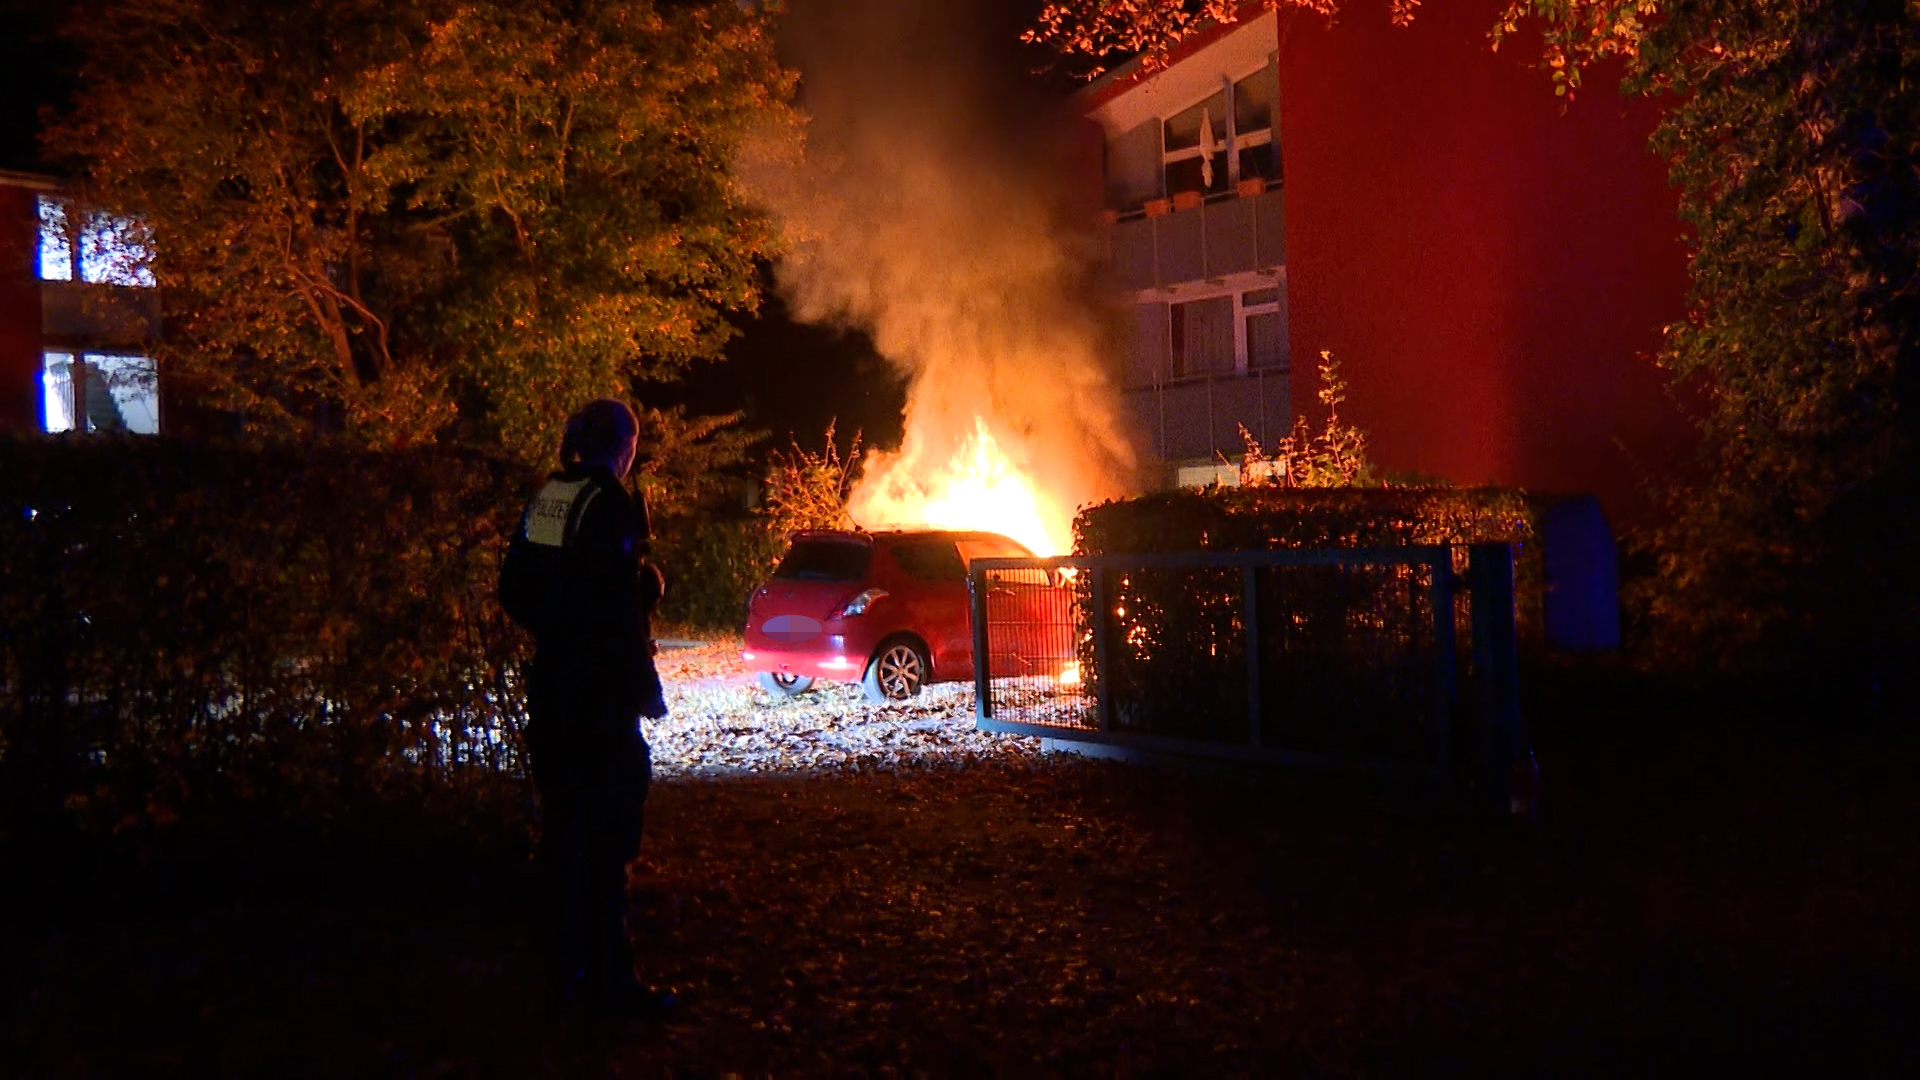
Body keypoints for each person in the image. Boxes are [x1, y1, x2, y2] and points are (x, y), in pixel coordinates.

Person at [499, 398, 674, 1015]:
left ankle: (565, 977)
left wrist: (558, 629)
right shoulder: (609, 499)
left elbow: (515, 586)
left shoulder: (555, 495)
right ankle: (612, 985)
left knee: (565, 835)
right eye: (634, 443)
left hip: (554, 692)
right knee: (607, 838)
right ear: (624, 446)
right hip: (599, 702)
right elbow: (616, 610)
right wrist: (642, 679)